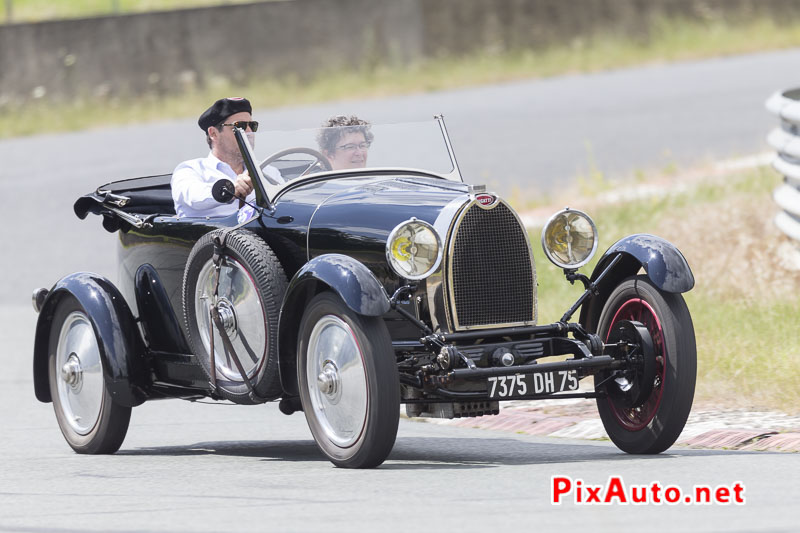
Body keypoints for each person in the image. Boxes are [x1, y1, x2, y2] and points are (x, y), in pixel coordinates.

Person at [171, 96, 280, 220]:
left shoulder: (267, 171)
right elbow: (194, 197)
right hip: (211, 237)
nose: (249, 132)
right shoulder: (190, 170)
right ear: (213, 133)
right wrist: (231, 190)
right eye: (240, 126)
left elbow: (288, 203)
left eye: (252, 125)